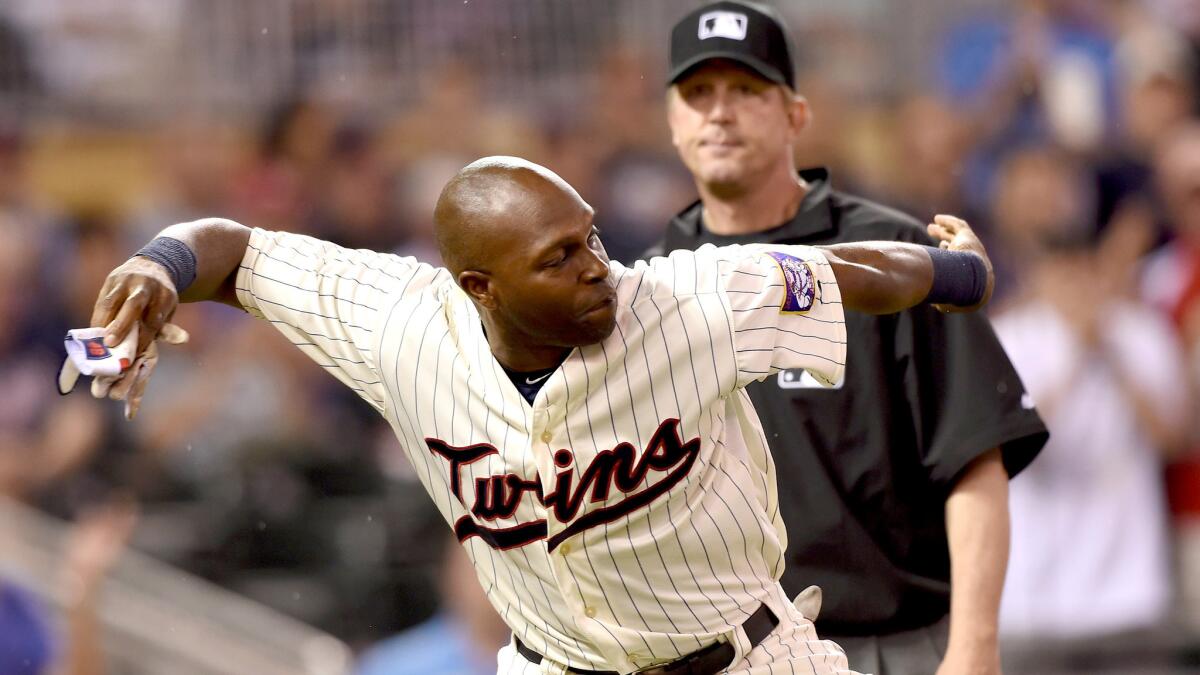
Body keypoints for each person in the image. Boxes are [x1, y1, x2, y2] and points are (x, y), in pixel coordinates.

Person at [81, 155, 995, 675]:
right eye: (560, 257)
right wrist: (160, 267)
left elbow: (850, 273)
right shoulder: (402, 322)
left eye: (591, 234)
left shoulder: (686, 301)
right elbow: (234, 253)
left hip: (744, 661)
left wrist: (961, 275)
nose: (597, 263)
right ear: (480, 286)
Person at [652, 3, 1049, 674]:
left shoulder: (890, 258)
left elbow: (976, 455)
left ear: (796, 115)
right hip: (724, 656)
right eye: (698, 93)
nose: (719, 112)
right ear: (671, 121)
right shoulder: (651, 286)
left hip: (888, 646)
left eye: (746, 90)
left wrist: (975, 645)